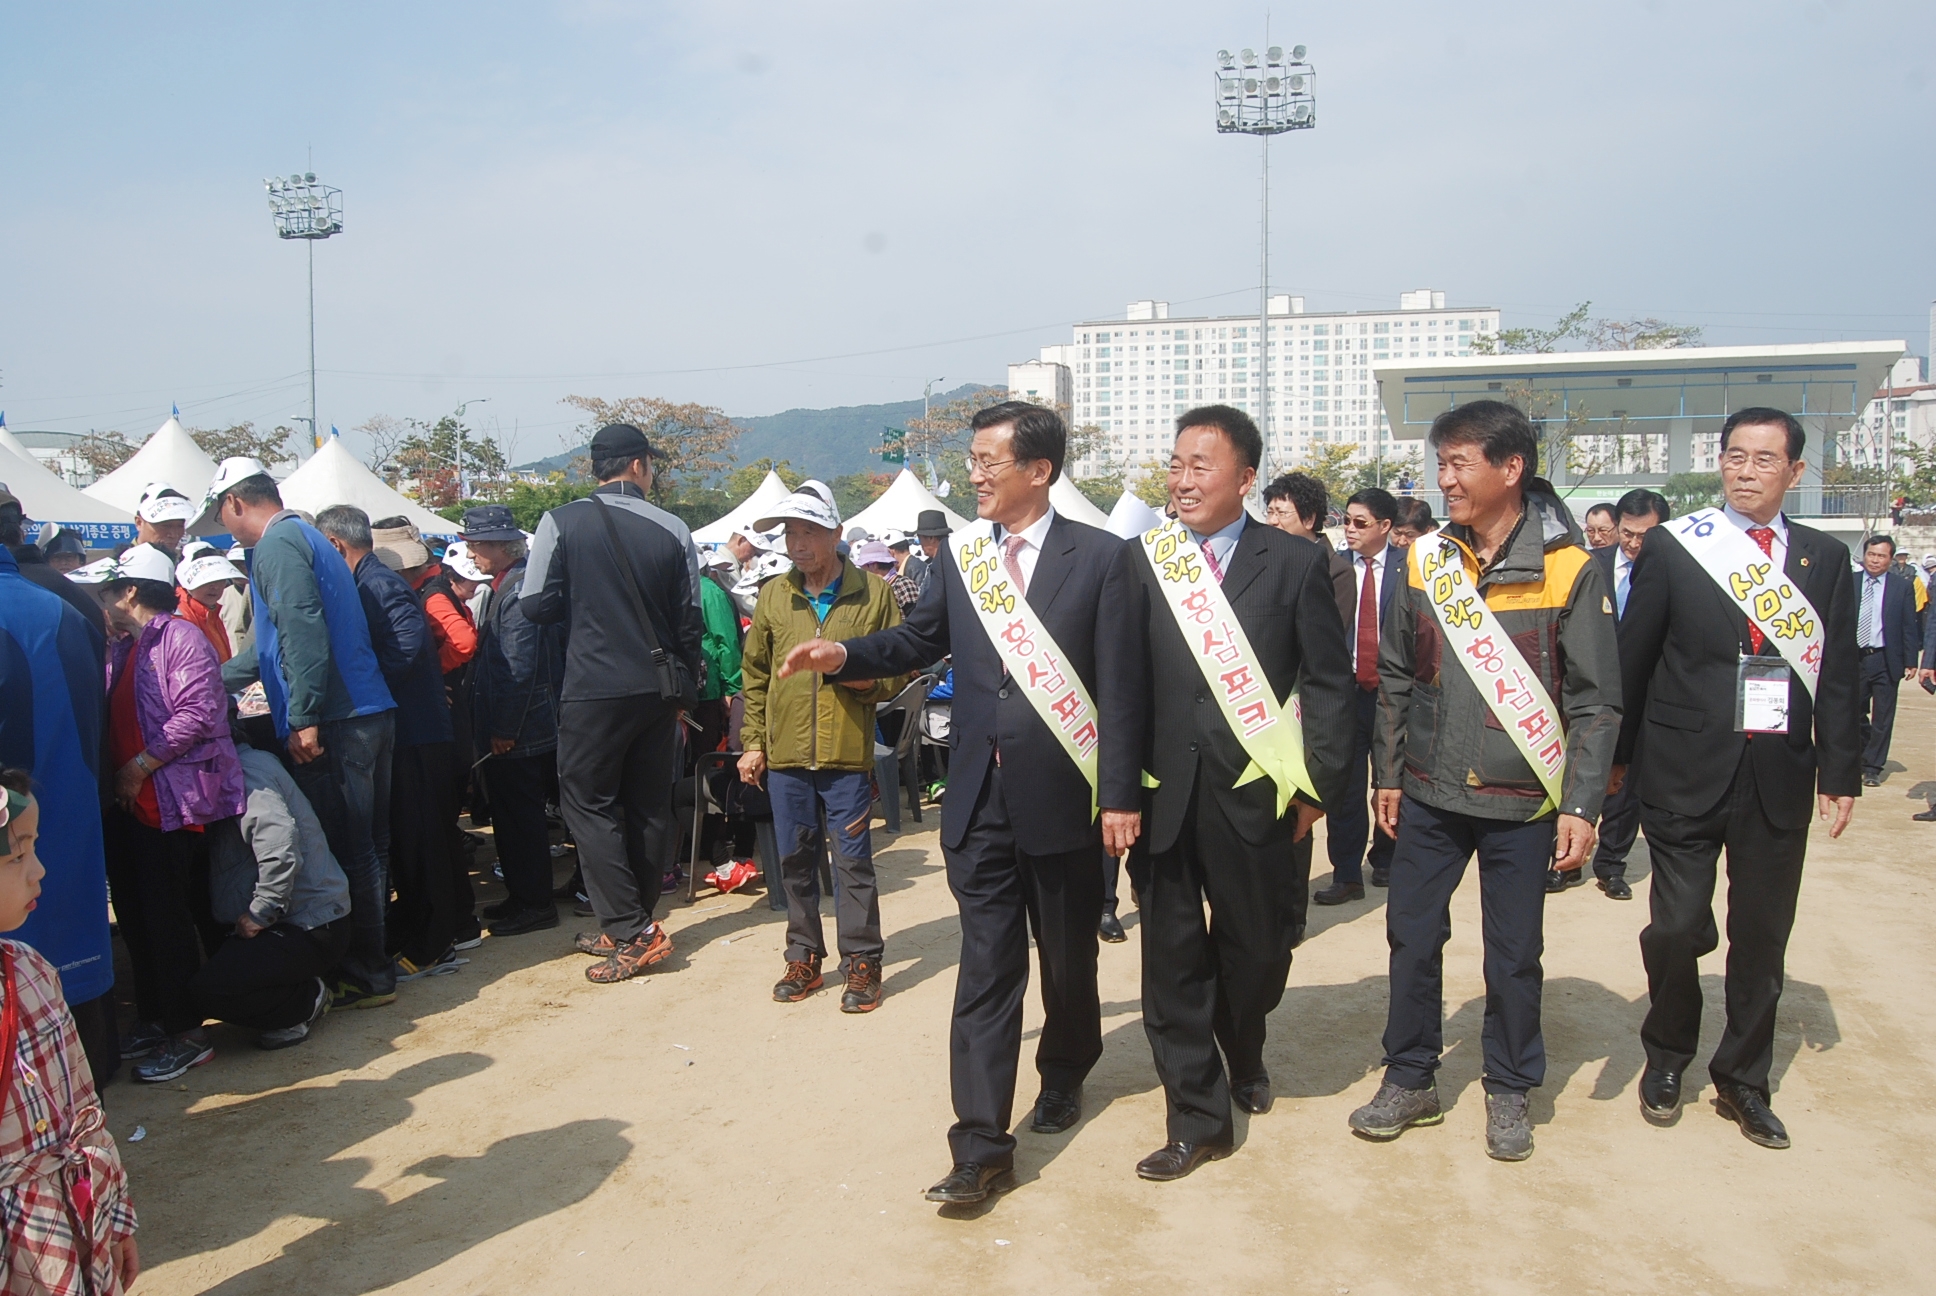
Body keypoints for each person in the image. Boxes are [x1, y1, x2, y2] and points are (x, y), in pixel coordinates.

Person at [780, 401, 1147, 1205]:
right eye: (973, 460)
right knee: (987, 968)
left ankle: (1065, 1069)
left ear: (1039, 470)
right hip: (977, 799)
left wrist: (1119, 795)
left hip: (1066, 796)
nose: (974, 475)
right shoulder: (964, 557)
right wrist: (844, 652)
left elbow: (1123, 687)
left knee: (1068, 956)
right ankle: (980, 1145)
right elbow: (916, 640)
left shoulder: (1104, 558)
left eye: (989, 461)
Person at [1354, 399, 1620, 1162]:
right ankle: (1410, 1076)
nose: (1446, 480)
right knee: (1411, 934)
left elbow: (1596, 703)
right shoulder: (1428, 558)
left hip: (1523, 799)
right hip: (1432, 791)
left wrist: (1580, 804)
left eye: (1460, 463)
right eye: (1441, 464)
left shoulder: (1570, 568)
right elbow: (1399, 675)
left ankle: (1509, 1087)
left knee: (1512, 952)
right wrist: (1391, 775)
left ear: (1512, 468)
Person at [1613, 406, 1858, 1150]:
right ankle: (1668, 1056)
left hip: (1778, 773)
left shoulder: (1824, 558)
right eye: (1735, 457)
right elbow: (1636, 656)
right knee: (1678, 926)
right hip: (1685, 768)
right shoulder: (1677, 547)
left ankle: (1744, 1078)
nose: (1746, 471)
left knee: (1761, 938)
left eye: (1763, 459)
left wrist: (1841, 770)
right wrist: (1617, 761)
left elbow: (1841, 674)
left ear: (1795, 471)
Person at [1129, 407, 1354, 1180]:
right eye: (1176, 464)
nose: (1182, 480)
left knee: (1257, 950)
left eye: (1201, 465)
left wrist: (1316, 787)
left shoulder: (1292, 563)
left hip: (1259, 791)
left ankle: (1244, 1042)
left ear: (1246, 479)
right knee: (1172, 958)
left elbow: (1327, 680)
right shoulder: (1144, 560)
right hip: (1163, 793)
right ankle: (1198, 1115)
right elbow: (1121, 685)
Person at [200, 457, 399, 1010]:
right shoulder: (306, 536)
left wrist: (305, 714)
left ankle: (367, 969)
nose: (225, 526)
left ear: (236, 502)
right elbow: (274, 645)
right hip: (366, 708)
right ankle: (374, 960)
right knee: (370, 847)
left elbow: (302, 628)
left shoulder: (278, 545)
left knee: (353, 850)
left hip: (339, 716)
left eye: (222, 514)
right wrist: (210, 678)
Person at [521, 424, 704, 984]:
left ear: (595, 467)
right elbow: (690, 621)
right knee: (649, 804)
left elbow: (533, 604)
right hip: (657, 688)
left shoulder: (560, 520)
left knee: (588, 805)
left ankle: (630, 928)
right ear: (641, 465)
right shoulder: (674, 529)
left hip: (593, 687)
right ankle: (632, 919)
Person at [84, 543, 248, 1083]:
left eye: (107, 590)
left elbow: (198, 712)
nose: (101, 600)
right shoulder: (126, 645)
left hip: (172, 801)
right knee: (139, 914)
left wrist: (139, 765)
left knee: (170, 917)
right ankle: (158, 1016)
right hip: (138, 801)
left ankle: (187, 1031)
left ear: (129, 591)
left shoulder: (178, 637)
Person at [737, 487, 904, 1009]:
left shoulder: (873, 594)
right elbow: (756, 675)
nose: (798, 544)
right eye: (790, 533)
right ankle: (804, 955)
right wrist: (753, 743)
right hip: (786, 756)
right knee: (794, 860)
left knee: (852, 860)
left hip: (845, 755)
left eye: (808, 532)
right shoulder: (773, 595)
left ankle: (861, 962)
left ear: (836, 533)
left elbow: (898, 665)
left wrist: (862, 682)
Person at [0, 771, 141, 1295]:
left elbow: (85, 1108)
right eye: (16, 857)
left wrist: (115, 1217)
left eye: (33, 850)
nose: (38, 871)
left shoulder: (33, 970)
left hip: (72, 1220)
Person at [315, 506, 467, 982]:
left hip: (418, 732)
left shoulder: (377, 584)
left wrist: (367, 683)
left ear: (336, 545)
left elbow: (406, 643)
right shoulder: (373, 580)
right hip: (413, 727)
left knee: (423, 839)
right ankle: (427, 926)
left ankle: (435, 941)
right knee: (410, 839)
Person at [190, 741, 351, 1049]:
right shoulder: (237, 764)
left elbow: (281, 845)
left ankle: (305, 1001)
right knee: (219, 972)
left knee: (207, 990)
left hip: (310, 925)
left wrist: (260, 912)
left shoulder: (247, 772)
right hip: (298, 921)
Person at [462, 507, 566, 936]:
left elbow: (519, 667)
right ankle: (524, 897)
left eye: (477, 545)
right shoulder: (512, 584)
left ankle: (534, 902)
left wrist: (505, 728)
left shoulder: (520, 589)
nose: (471, 554)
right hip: (524, 723)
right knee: (510, 818)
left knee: (520, 819)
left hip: (523, 728)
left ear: (501, 546)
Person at [1567, 488, 1669, 900]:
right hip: (1592, 690)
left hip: (1645, 695)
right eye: (1627, 533)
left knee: (1629, 785)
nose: (1634, 542)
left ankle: (1612, 865)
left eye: (1645, 535)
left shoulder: (1671, 569)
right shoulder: (1593, 564)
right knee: (1580, 772)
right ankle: (1566, 863)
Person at [1314, 487, 1404, 907]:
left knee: (1392, 780)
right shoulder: (1330, 567)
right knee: (1345, 788)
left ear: (1385, 526)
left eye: (1360, 523)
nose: (1349, 530)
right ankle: (1347, 873)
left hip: (1394, 695)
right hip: (1346, 693)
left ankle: (1386, 859)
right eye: (1345, 520)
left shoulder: (1410, 570)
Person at [1849, 534, 1918, 787]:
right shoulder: (1850, 582)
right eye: (1871, 554)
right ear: (1864, 555)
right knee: (1854, 712)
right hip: (1854, 659)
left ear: (1890, 559)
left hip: (1886, 658)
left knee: (1883, 715)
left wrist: (1911, 660)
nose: (1875, 560)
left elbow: (1909, 626)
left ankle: (1872, 767)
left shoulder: (1902, 586)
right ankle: (1860, 754)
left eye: (1881, 556)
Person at [175, 543, 244, 663]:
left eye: (220, 578)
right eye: (207, 579)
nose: (215, 586)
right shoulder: (179, 615)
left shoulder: (211, 611)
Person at [133, 481, 196, 558]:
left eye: (180, 526)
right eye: (165, 526)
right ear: (139, 523)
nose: (174, 535)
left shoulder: (183, 564)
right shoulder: (117, 564)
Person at [908, 508, 949, 593]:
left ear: (931, 538)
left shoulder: (943, 565)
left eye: (920, 539)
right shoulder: (944, 560)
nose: (920, 544)